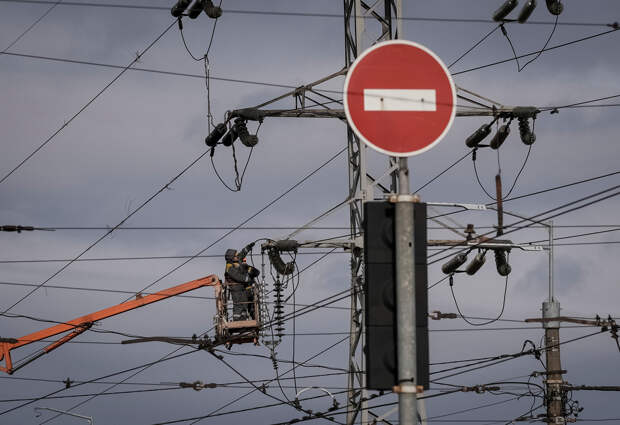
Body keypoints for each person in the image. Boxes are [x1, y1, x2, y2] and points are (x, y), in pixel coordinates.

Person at [224, 243, 259, 321]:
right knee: (238, 305)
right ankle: (237, 320)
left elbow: (242, 254)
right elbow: (239, 277)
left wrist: (248, 247)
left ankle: (243, 319)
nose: (238, 256)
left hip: (241, 288)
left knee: (244, 305)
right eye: (236, 255)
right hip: (236, 290)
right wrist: (248, 278)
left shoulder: (236, 260)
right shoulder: (229, 268)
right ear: (232, 258)